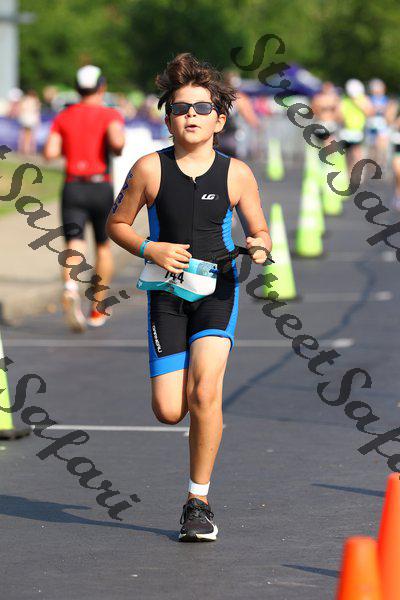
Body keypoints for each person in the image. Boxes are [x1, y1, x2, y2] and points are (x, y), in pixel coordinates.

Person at [106, 53, 272, 542]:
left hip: (218, 290)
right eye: (181, 108)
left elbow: (259, 229)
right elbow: (117, 224)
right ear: (168, 119)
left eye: (202, 108)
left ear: (220, 119)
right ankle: (195, 434)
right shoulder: (149, 169)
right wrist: (150, 247)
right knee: (169, 409)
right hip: (167, 294)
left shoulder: (237, 173)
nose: (191, 116)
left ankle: (197, 501)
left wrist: (260, 246)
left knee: (205, 391)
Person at [43, 65, 125, 331]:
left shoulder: (64, 116)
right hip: (100, 187)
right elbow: (118, 143)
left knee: (74, 243)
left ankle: (70, 287)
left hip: (73, 187)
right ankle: (97, 308)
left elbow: (50, 152)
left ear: (77, 88)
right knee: (103, 247)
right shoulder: (109, 114)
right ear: (102, 86)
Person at [339, 79, 374, 173]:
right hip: (346, 131)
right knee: (347, 155)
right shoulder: (344, 100)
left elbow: (370, 112)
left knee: (357, 153)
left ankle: (357, 174)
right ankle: (348, 174)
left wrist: (358, 103)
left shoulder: (364, 99)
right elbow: (339, 116)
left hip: (359, 131)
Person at [366, 78, 391, 166]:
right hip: (372, 125)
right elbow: (369, 111)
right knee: (372, 147)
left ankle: (382, 163)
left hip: (382, 125)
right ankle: (373, 164)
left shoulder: (386, 99)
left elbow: (388, 112)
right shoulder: (369, 99)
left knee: (382, 145)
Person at [311, 81, 341, 146]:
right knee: (323, 143)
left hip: (330, 123)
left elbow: (338, 112)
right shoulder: (318, 98)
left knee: (327, 142)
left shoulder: (334, 98)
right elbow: (314, 111)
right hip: (322, 123)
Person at [18, 89, 41, 155]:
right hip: (31, 119)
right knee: (31, 135)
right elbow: (37, 111)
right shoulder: (35, 101)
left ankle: (23, 149)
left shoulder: (25, 100)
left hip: (25, 119)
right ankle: (31, 150)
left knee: (23, 134)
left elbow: (21, 109)